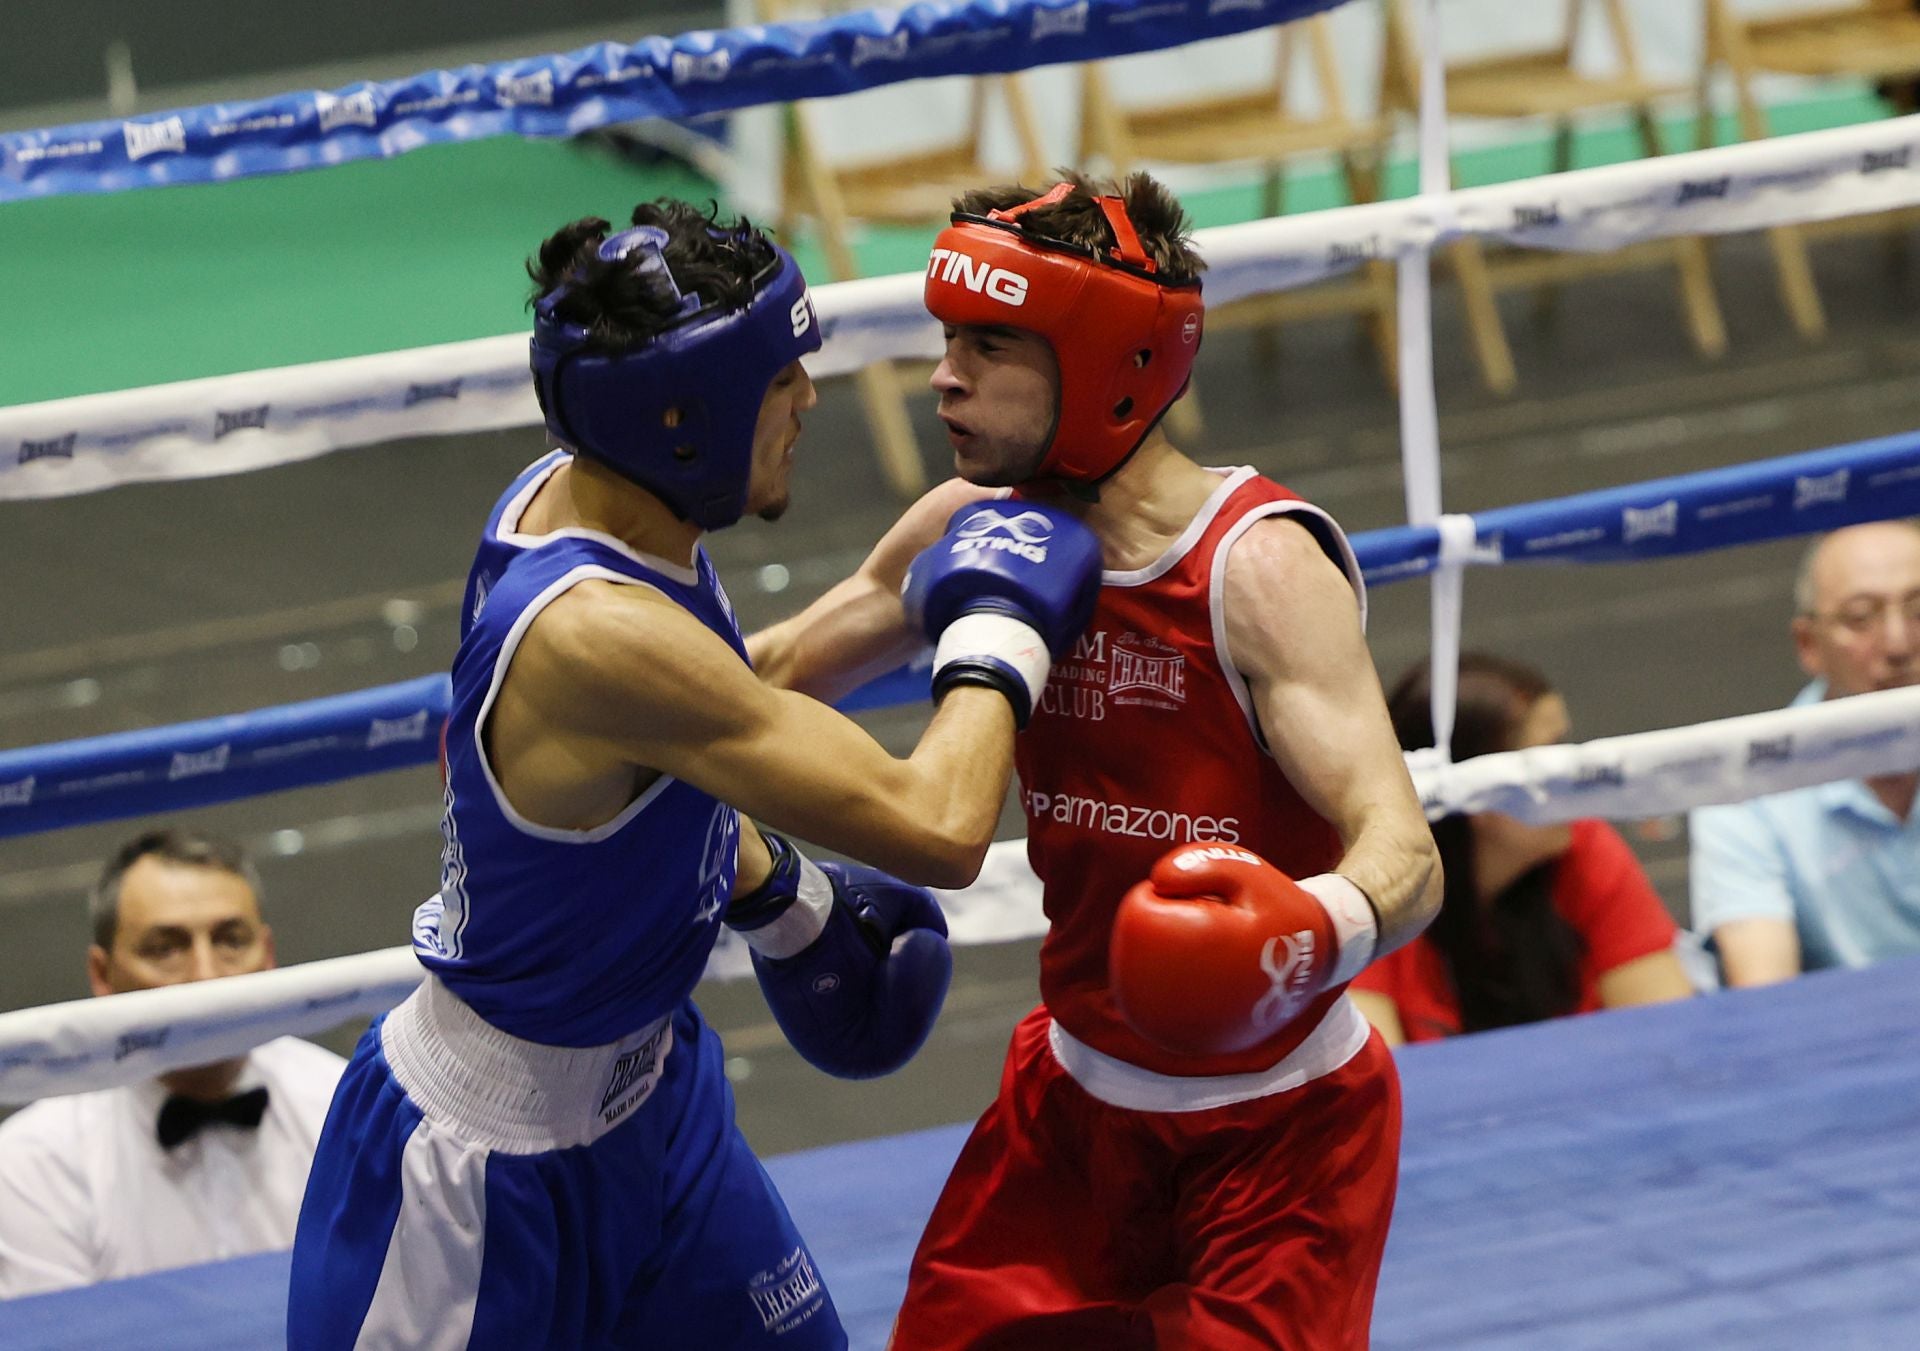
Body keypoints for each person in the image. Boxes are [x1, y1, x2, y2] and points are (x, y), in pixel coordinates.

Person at [287, 201, 1103, 1349]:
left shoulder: (598, 502)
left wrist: (778, 889)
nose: (810, 402)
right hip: (484, 1180)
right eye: (781, 381)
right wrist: (1000, 633)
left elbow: (728, 697)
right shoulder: (593, 635)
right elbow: (941, 823)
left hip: (656, 1104)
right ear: (688, 418)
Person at [746, 173, 1443, 1350]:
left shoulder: (1255, 569)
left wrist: (1305, 930)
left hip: (1281, 1147)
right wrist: (578, 676)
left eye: (988, 346)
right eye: (946, 339)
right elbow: (762, 681)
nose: (943, 377)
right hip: (1070, 1116)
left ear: (1106, 359)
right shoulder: (968, 523)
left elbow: (1405, 850)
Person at [0, 829, 344, 1297]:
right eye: (166, 948)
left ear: (266, 957)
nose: (205, 976)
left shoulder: (342, 1109)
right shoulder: (33, 1163)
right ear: (103, 975)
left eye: (230, 940)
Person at [1350, 655, 1693, 1047]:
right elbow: (1381, 1084)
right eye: (1549, 755)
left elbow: (1672, 1041)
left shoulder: (1584, 845)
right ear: (1476, 789)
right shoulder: (1371, 897)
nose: (1573, 775)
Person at [1689, 520, 1920, 986]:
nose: (1899, 644)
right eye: (1860, 617)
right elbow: (1767, 994)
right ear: (1809, 645)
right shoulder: (1744, 792)